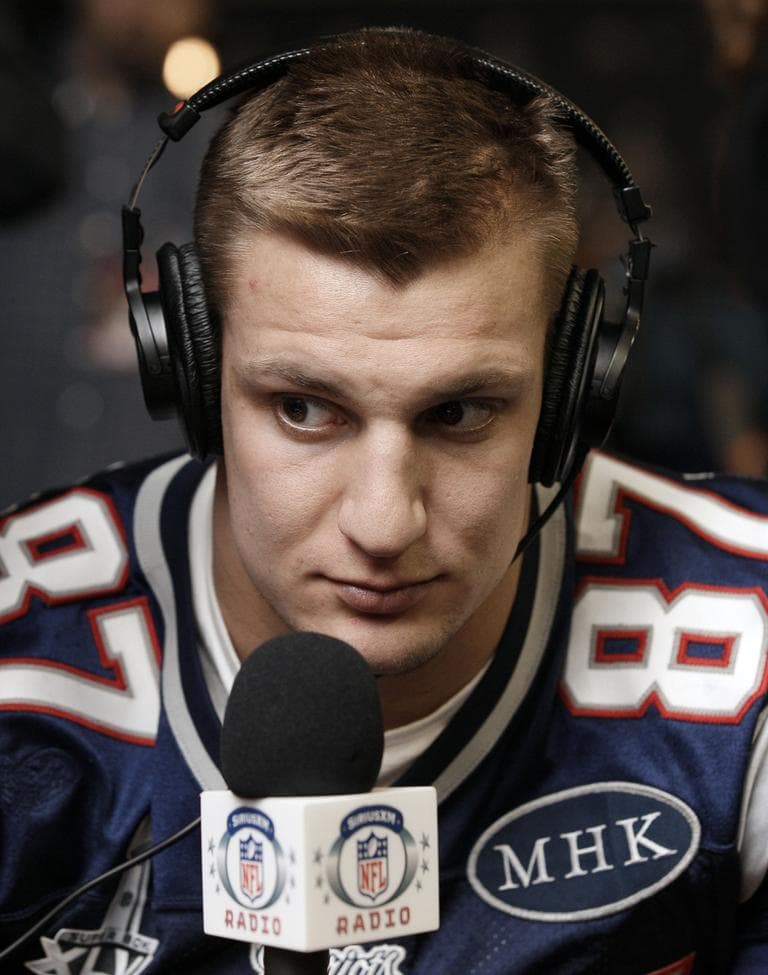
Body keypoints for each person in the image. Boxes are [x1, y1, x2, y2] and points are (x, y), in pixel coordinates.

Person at [1, 26, 767, 975]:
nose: (382, 522)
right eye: (303, 407)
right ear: (194, 375)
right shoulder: (19, 656)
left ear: (573, 388)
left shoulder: (751, 644)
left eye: (460, 412)